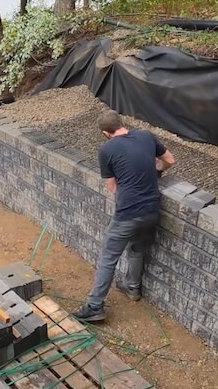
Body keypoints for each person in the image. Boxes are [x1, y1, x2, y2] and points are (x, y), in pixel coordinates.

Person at [75, 110, 175, 322]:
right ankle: (133, 289)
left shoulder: (107, 149)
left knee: (107, 258)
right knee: (137, 249)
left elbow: (113, 187)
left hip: (128, 213)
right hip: (152, 211)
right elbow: (169, 160)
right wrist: (156, 171)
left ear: (105, 133)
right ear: (121, 124)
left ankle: (94, 307)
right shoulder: (146, 136)